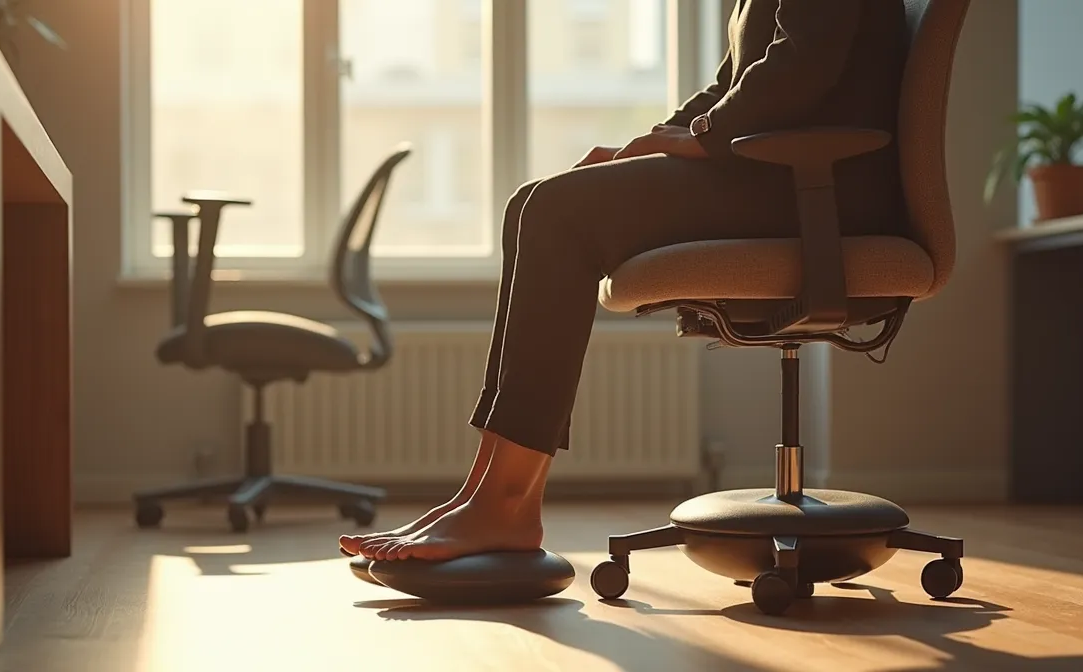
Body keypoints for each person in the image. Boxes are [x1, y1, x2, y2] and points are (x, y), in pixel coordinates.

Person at [340, 0, 908, 562]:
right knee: (532, 204)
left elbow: (805, 61)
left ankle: (506, 502)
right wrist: (658, 138)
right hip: (778, 175)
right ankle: (484, 492)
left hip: (822, 190)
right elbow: (736, 81)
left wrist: (704, 136)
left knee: (555, 213)